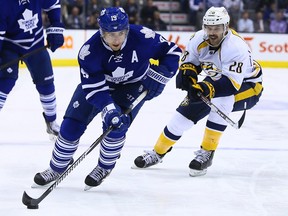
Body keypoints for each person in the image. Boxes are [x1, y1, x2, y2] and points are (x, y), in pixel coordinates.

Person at [33, 7, 182, 190]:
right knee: (72, 124)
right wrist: (108, 108)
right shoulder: (89, 51)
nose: (117, 39)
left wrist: (160, 75)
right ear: (101, 32)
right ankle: (56, 167)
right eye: (111, 34)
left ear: (127, 29)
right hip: (100, 87)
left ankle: (104, 167)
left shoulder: (143, 36)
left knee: (116, 126)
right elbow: (94, 88)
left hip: (133, 86)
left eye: (121, 33)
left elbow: (173, 52)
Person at [134, 6, 264, 177]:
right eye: (209, 28)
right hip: (217, 79)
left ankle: (207, 152)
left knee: (222, 99)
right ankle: (157, 152)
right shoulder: (197, 38)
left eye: (216, 28)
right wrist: (188, 76)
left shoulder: (236, 47)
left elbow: (232, 85)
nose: (211, 32)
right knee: (183, 115)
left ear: (226, 27)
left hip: (248, 86)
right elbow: (190, 64)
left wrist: (206, 87)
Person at [0, 0, 64, 140]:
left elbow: (53, 4)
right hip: (10, 46)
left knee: (46, 83)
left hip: (36, 42)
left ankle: (51, 121)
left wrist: (56, 26)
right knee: (5, 82)